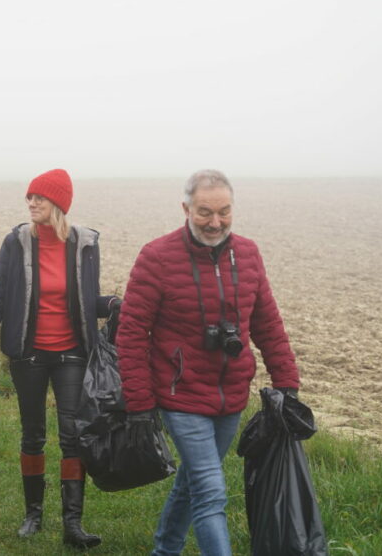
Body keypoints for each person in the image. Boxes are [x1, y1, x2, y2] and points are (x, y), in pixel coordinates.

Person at [116, 169, 299, 556]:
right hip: (179, 394)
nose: (215, 222)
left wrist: (287, 382)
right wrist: (139, 404)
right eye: (204, 212)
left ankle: (165, 549)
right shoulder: (157, 256)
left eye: (224, 212)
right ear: (185, 209)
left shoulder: (248, 254)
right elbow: (131, 334)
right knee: (211, 491)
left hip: (231, 394)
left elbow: (267, 322)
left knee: (195, 480)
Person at [0, 168, 117, 549]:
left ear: (58, 204)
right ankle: (33, 515)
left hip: (72, 354)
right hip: (28, 354)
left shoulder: (84, 244)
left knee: (71, 436)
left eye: (40, 198)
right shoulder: (16, 243)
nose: (31, 203)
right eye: (29, 197)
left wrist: (111, 304)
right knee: (32, 435)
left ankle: (73, 524)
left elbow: (84, 300)